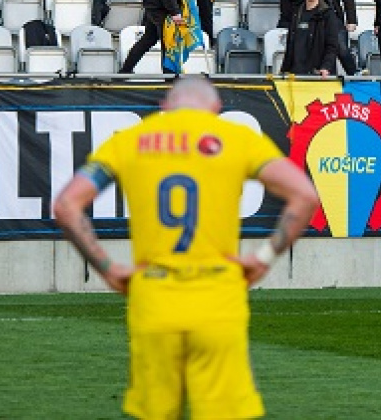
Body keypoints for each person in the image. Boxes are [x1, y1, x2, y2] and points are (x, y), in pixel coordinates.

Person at [53, 77, 318, 418]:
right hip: (218, 296)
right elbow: (306, 196)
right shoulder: (238, 138)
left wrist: (107, 267)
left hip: (153, 298)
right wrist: (264, 259)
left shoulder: (128, 141)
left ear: (165, 107)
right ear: (216, 108)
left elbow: (66, 205)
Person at [280, 0, 341, 76]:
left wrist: (326, 67)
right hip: (296, 71)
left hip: (319, 73)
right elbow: (290, 43)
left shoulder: (328, 14)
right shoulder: (296, 12)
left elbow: (332, 44)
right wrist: (285, 69)